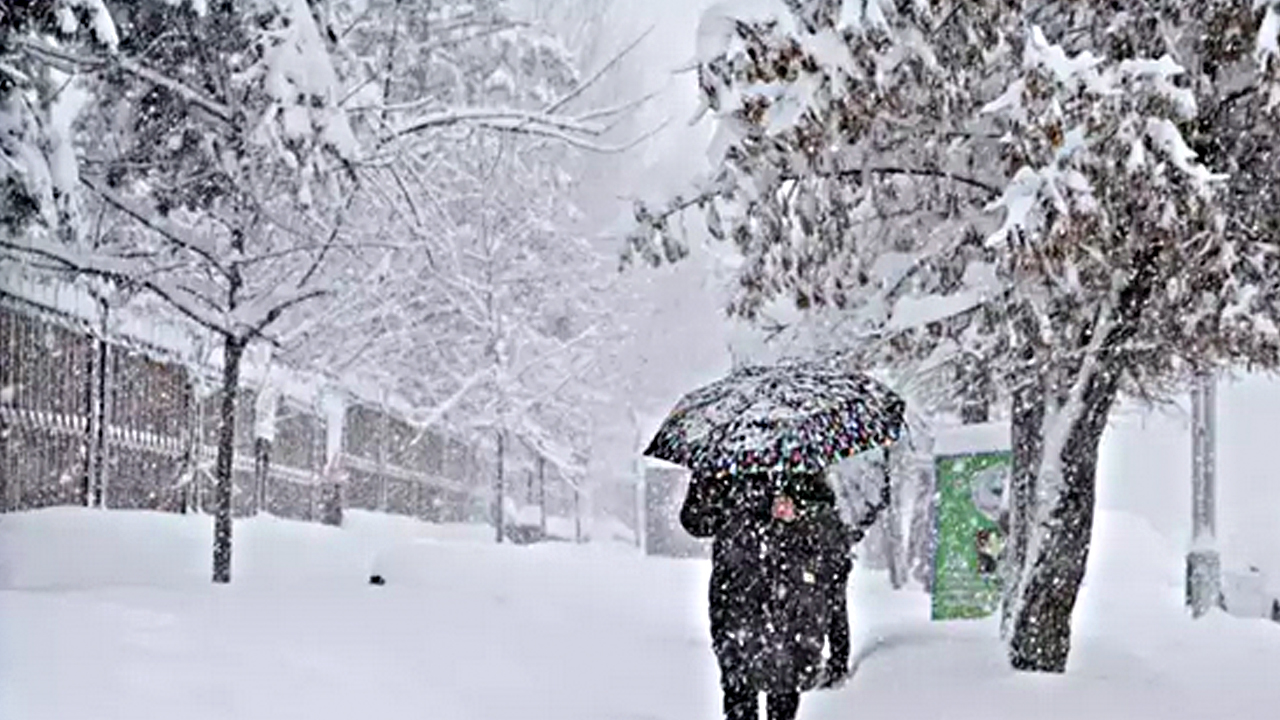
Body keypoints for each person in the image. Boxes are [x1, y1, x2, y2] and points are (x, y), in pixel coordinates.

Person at [681, 469, 848, 720]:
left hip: (787, 596)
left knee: (783, 685)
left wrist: (798, 514)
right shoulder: (723, 466)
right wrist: (710, 487)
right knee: (738, 686)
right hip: (735, 596)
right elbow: (696, 522)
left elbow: (827, 526)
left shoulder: (800, 466)